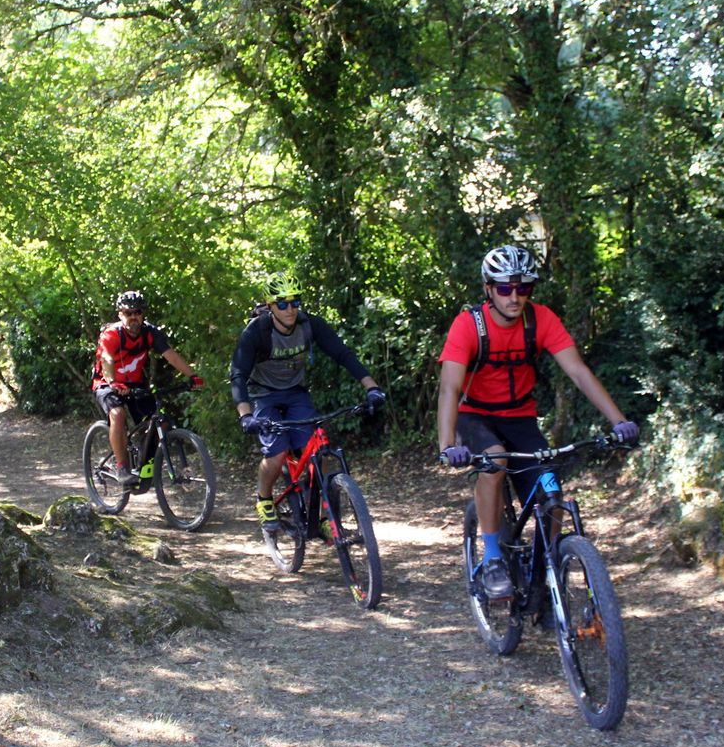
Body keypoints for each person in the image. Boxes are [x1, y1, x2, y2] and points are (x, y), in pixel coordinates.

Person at [436, 244, 639, 600]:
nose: (515, 297)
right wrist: (448, 445)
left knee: (552, 490)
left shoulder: (541, 319)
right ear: (489, 289)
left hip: (520, 417)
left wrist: (618, 421)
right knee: (495, 461)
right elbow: (450, 388)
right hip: (475, 415)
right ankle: (494, 555)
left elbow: (578, 371)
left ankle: (546, 571)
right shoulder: (469, 325)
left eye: (523, 288)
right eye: (505, 289)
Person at [230, 272, 386, 531]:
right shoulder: (257, 332)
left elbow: (343, 354)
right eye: (282, 303)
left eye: (295, 302)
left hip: (295, 392)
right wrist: (245, 415)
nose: (290, 309)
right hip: (263, 395)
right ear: (270, 306)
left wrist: (372, 388)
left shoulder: (309, 325)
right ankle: (264, 498)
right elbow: (238, 374)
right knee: (278, 453)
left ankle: (323, 518)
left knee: (317, 452)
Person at [92, 290, 202, 487]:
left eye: (138, 312)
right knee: (117, 415)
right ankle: (122, 467)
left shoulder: (150, 333)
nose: (133, 316)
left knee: (160, 423)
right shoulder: (112, 335)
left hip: (135, 385)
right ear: (120, 314)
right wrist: (113, 382)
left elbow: (171, 355)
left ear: (143, 314)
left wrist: (193, 376)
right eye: (128, 313)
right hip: (106, 383)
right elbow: (107, 358)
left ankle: (144, 465)